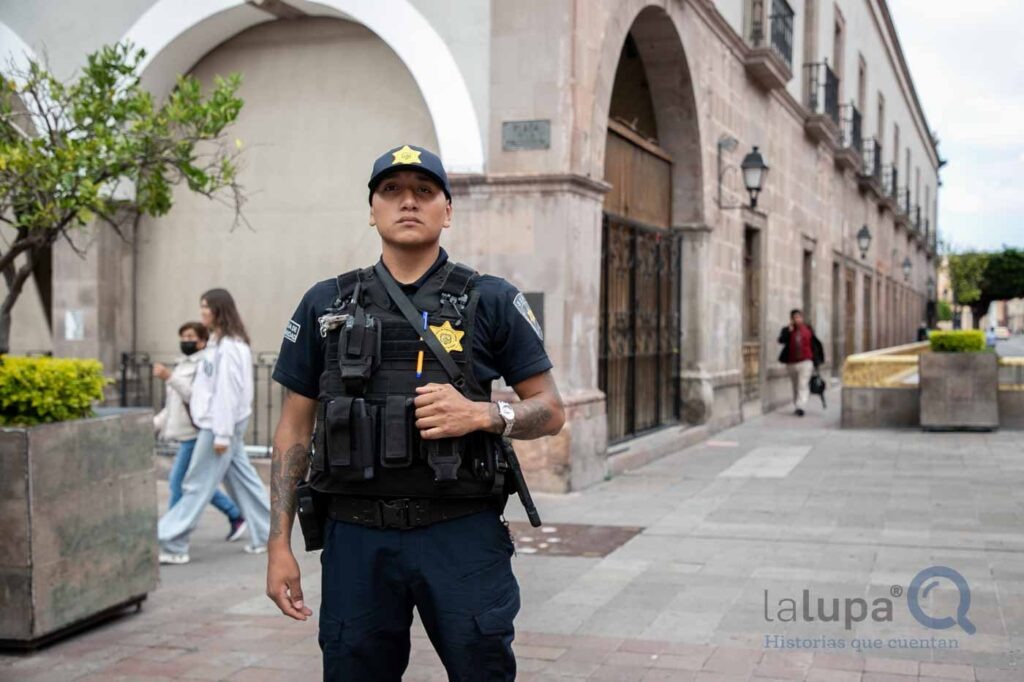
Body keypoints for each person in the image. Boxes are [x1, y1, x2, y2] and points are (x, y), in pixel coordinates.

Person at [266, 144, 565, 680]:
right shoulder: (325, 303)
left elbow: (551, 410)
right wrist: (278, 544)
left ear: (446, 211)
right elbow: (293, 428)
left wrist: (484, 415)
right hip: (356, 540)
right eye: (392, 191)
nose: (408, 202)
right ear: (372, 209)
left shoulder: (491, 300)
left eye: (424, 192)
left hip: (461, 536)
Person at [157, 289, 272, 565]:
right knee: (243, 480)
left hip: (219, 426)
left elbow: (227, 394)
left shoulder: (229, 348)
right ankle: (269, 534)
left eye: (206, 307)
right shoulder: (218, 344)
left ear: (218, 310)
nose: (202, 312)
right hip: (220, 425)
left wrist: (221, 434)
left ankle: (172, 543)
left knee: (196, 484)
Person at [154, 321, 248, 542]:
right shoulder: (182, 364)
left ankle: (173, 534)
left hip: (196, 434)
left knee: (180, 483)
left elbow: (195, 398)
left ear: (202, 341)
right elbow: (173, 406)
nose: (185, 341)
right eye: (183, 337)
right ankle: (235, 515)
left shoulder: (204, 364)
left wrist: (170, 377)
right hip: (185, 434)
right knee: (198, 484)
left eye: (190, 337)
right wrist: (155, 424)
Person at [777, 308, 824, 416]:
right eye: (795, 318)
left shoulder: (808, 329)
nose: (797, 319)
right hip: (791, 363)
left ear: (802, 318)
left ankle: (800, 406)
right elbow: (781, 340)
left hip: (806, 362)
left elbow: (815, 344)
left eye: (799, 317)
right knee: (795, 385)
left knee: (803, 384)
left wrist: (816, 361)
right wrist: (788, 331)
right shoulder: (787, 330)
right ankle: (797, 404)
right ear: (791, 319)